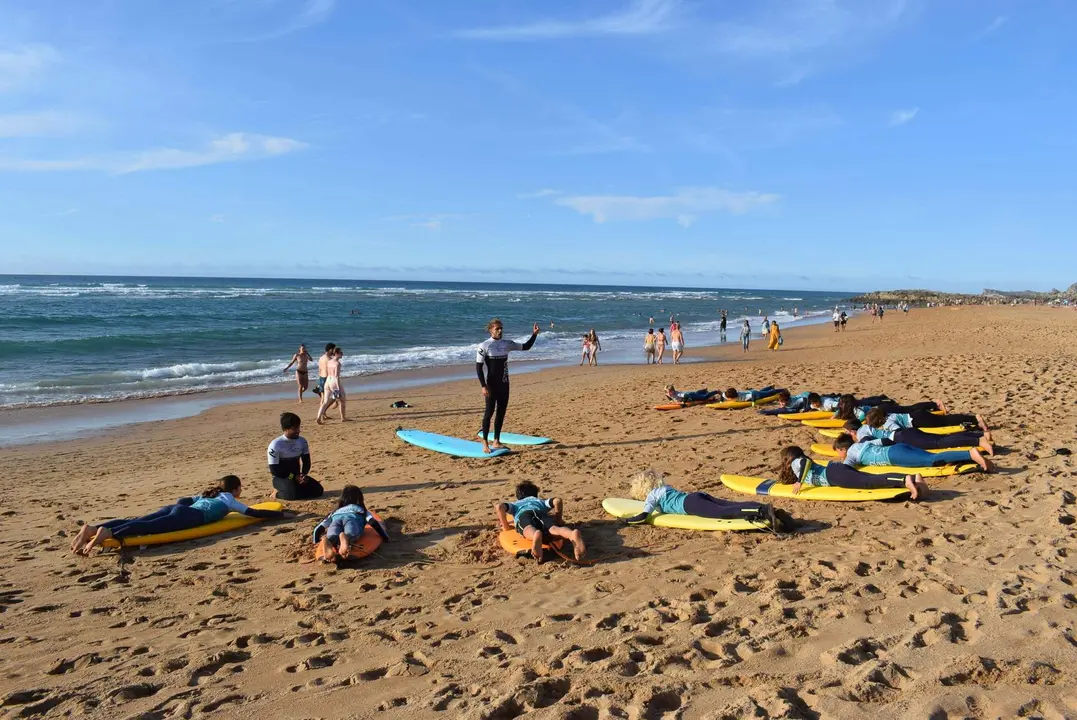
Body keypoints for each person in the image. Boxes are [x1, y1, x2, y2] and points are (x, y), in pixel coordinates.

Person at [70, 475, 286, 555]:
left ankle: (92, 528)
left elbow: (182, 502)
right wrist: (277, 514)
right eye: (240, 488)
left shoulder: (207, 494)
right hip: (190, 518)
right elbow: (252, 512)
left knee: (139, 520)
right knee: (149, 528)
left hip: (177, 509)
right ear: (235, 489)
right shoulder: (229, 500)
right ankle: (108, 531)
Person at [621, 469, 790, 530]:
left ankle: (763, 511)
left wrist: (627, 521)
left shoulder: (652, 496)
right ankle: (763, 507)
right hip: (696, 496)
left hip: (690, 504)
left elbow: (644, 516)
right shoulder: (665, 488)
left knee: (724, 513)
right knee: (731, 505)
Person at [477, 318, 539, 454]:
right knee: (489, 412)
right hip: (491, 385)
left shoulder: (507, 344)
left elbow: (526, 346)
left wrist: (534, 334)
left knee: (501, 412)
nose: (500, 331)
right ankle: (485, 442)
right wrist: (483, 386)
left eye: (501, 329)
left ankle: (496, 441)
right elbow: (479, 367)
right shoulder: (484, 346)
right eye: (497, 329)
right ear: (490, 330)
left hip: (504, 384)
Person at [779, 446, 926, 500]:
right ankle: (913, 478)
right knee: (870, 478)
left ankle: (904, 479)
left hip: (834, 475)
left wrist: (799, 481)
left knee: (869, 482)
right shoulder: (795, 465)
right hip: (836, 471)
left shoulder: (796, 462)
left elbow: (805, 462)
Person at [495, 481, 585, 562]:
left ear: (518, 496)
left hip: (524, 514)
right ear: (535, 494)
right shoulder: (539, 501)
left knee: (527, 528)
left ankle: (535, 535)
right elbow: (557, 501)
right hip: (540, 513)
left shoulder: (516, 504)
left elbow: (499, 507)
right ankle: (571, 534)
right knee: (554, 528)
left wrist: (506, 526)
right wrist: (558, 520)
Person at [847, 409, 994, 455]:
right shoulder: (869, 427)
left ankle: (978, 440)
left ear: (853, 431)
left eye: (849, 433)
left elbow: (868, 443)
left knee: (939, 442)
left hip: (903, 436)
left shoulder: (862, 433)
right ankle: (981, 435)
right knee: (941, 438)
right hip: (907, 433)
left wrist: (857, 446)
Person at [832, 433, 989, 472]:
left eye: (838, 452)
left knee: (931, 460)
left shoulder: (851, 454)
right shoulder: (864, 443)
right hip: (898, 447)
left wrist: (835, 466)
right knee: (929, 456)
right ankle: (970, 458)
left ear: (843, 449)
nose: (839, 454)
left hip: (894, 456)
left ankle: (970, 454)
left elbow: (846, 469)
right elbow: (885, 440)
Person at [312, 484, 390, 561]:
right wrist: (385, 537)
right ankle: (346, 538)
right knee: (352, 534)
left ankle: (328, 540)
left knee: (332, 536)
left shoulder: (334, 512)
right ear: (360, 498)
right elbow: (373, 522)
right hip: (352, 520)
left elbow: (318, 528)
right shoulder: (361, 510)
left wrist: (316, 541)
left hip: (336, 520)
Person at [268, 412, 325, 500]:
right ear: (286, 429)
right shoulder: (275, 445)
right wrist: (294, 477)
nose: (298, 431)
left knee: (318, 491)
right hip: (280, 478)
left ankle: (294, 489)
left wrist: (303, 475)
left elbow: (306, 462)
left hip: (297, 476)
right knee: (293, 496)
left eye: (298, 427)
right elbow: (275, 471)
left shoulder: (302, 442)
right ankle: (276, 493)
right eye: (295, 428)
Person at [316, 347, 347, 424]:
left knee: (325, 402)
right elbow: (336, 376)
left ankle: (319, 417)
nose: (342, 354)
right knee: (342, 400)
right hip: (334, 382)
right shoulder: (337, 364)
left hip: (328, 381)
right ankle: (343, 418)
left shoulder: (329, 361)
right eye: (341, 353)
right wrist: (338, 388)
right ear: (336, 353)